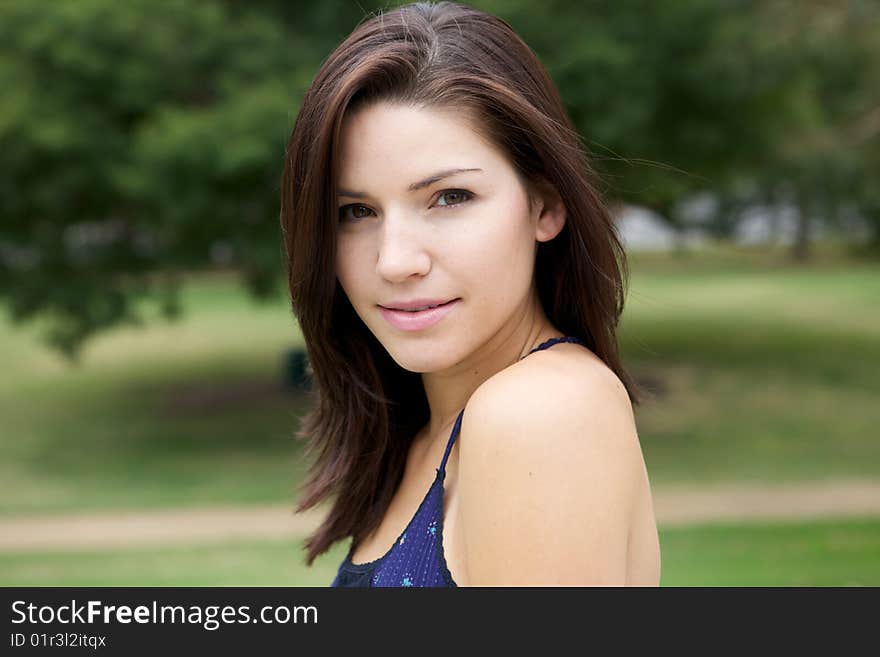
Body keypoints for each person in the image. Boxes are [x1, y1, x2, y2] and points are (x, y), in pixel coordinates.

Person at [280, 1, 660, 586]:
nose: (396, 260)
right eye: (355, 211)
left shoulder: (541, 414)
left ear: (546, 203)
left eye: (450, 197)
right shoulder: (427, 430)